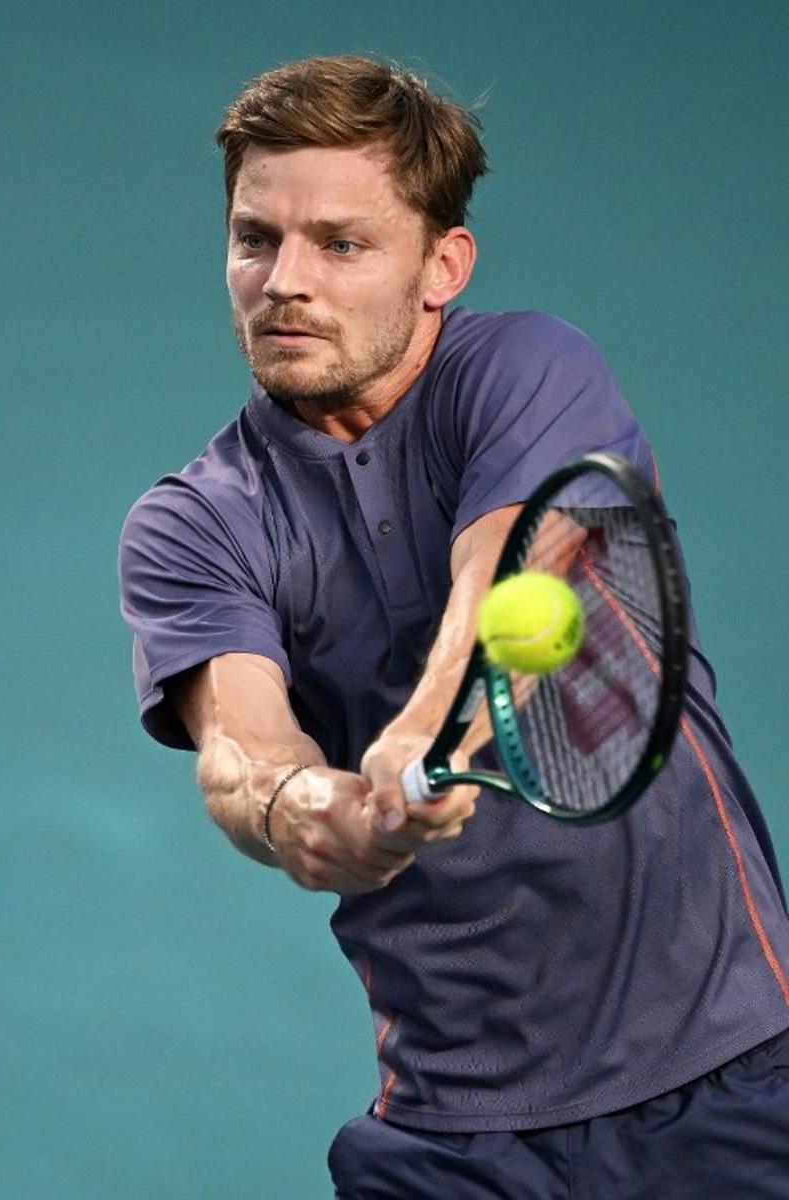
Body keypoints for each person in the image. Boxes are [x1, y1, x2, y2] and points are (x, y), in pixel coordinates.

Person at [119, 55, 789, 1199]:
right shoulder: (190, 523)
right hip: (448, 1135)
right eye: (254, 240)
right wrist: (299, 806)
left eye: (340, 243)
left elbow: (512, 563)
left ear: (442, 266)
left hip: (731, 1080)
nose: (284, 282)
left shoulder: (530, 368)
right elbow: (240, 746)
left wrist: (419, 728)